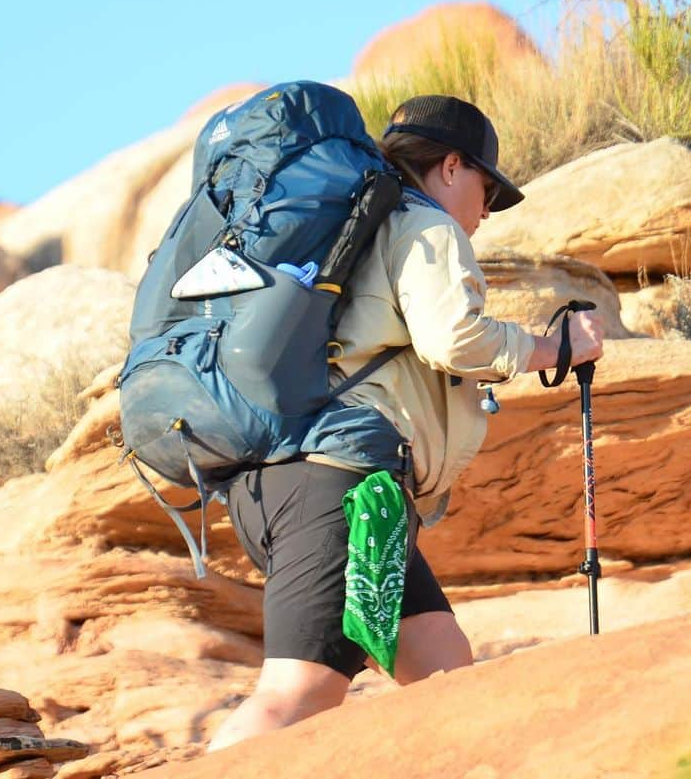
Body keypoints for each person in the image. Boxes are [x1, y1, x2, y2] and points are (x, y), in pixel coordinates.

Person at [208, 95, 604, 748]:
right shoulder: (423, 225)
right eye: (485, 189)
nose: (482, 214)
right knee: (296, 694)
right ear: (451, 167)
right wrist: (553, 349)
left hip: (312, 485)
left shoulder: (361, 225)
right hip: (337, 484)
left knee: (445, 668)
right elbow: (454, 338)